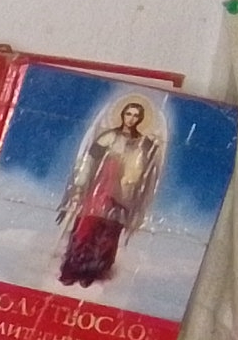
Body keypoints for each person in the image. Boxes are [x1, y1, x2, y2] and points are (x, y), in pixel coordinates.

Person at [55, 96, 163, 287]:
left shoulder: (144, 143)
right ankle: (73, 270)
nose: (131, 119)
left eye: (135, 116)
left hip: (122, 194)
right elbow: (89, 161)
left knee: (109, 232)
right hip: (100, 188)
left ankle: (94, 272)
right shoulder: (109, 137)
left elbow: (143, 171)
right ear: (122, 115)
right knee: (87, 227)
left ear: (140, 119)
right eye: (128, 114)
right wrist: (80, 185)